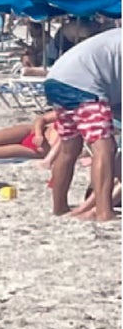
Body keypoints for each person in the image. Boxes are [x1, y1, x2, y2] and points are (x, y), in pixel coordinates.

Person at [43, 24, 120, 224]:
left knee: (69, 150)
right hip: (84, 85)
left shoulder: (114, 39)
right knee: (105, 147)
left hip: (56, 80)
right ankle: (104, 212)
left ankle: (59, 207)